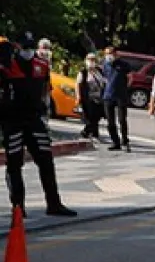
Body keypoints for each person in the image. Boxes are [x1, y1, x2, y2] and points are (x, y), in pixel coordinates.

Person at [0, 35, 76, 218]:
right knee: (14, 163)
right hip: (13, 120)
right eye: (25, 47)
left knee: (46, 161)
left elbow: (45, 90)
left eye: (30, 47)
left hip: (34, 119)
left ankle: (54, 203)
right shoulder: (6, 66)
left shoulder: (41, 66)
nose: (28, 51)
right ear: (17, 47)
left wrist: (45, 114)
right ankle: (18, 206)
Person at [101, 45, 131, 152]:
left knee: (122, 120)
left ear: (115, 54)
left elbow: (130, 77)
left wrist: (125, 87)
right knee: (110, 121)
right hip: (108, 96)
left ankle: (125, 141)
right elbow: (104, 77)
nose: (108, 56)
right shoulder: (105, 64)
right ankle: (115, 142)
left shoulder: (123, 64)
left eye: (110, 53)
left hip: (121, 96)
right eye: (106, 54)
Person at [75, 52, 106, 139]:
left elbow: (104, 82)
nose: (91, 61)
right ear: (86, 60)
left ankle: (91, 132)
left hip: (99, 98)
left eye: (93, 59)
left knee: (97, 117)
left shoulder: (99, 71)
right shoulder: (83, 72)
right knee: (90, 117)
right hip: (88, 99)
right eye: (89, 59)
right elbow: (77, 84)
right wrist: (78, 96)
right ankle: (88, 132)